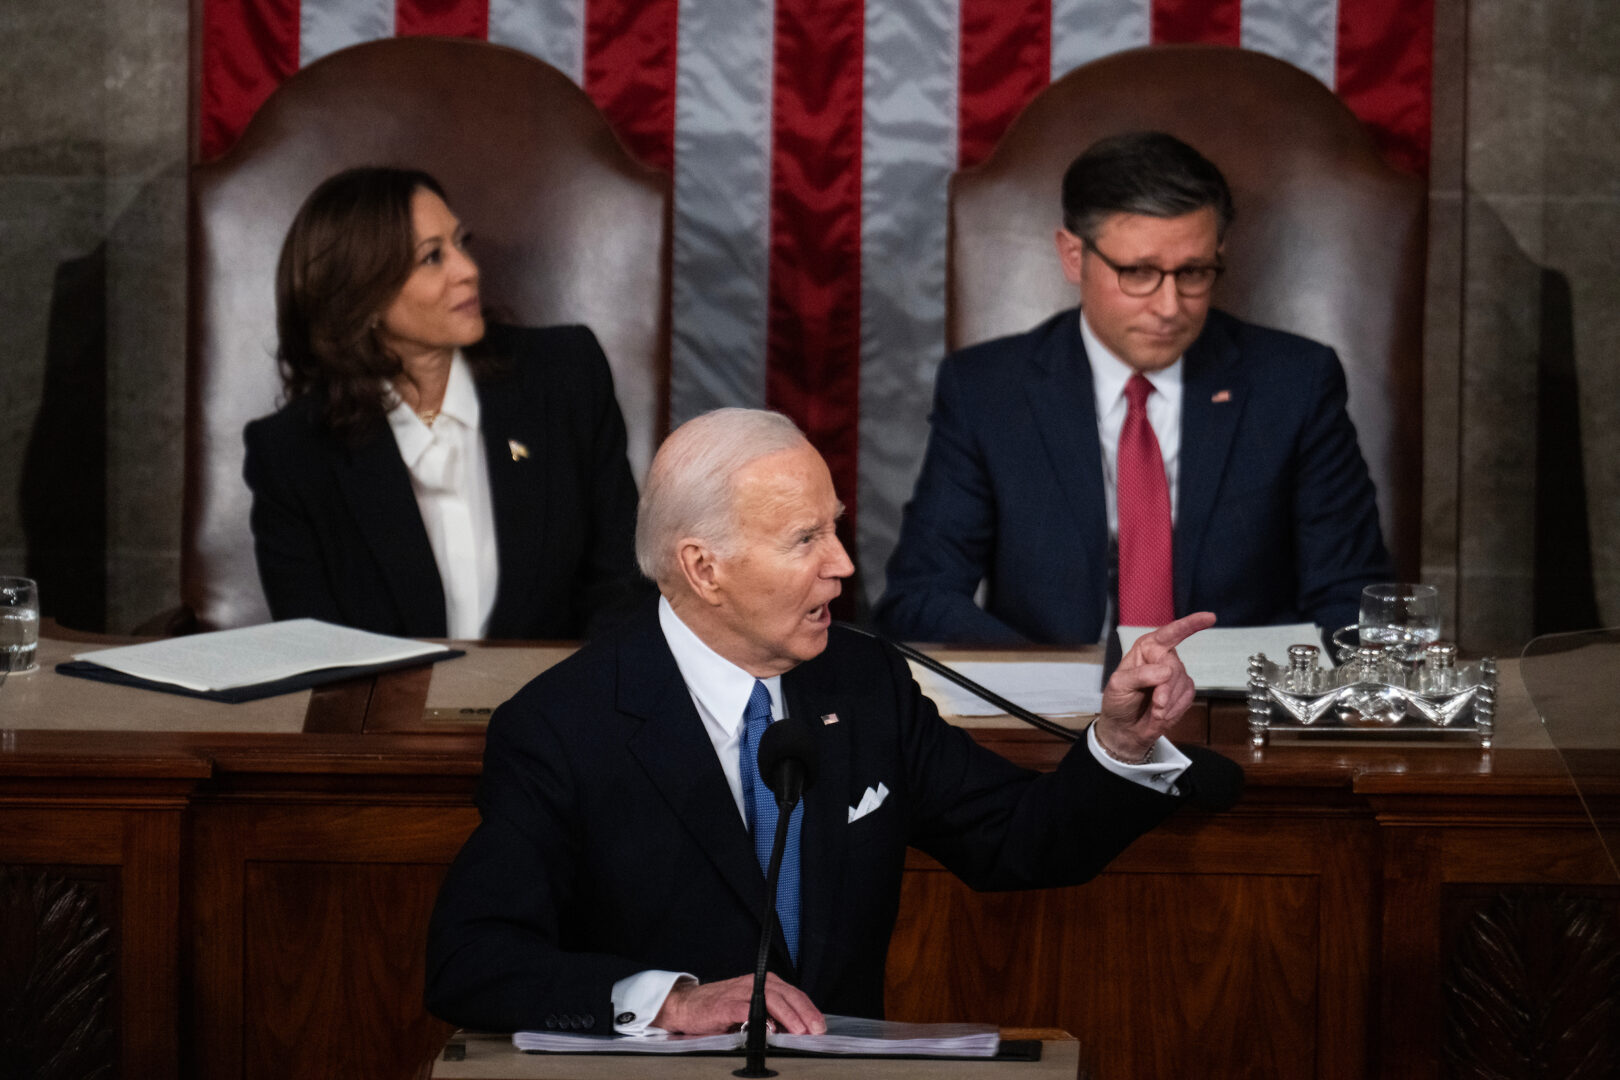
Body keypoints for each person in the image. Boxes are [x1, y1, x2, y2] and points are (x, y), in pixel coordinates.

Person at [425, 407, 1242, 1036]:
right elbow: (471, 961)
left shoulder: (864, 680)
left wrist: (1125, 744)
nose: (844, 564)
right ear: (704, 568)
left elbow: (1021, 840)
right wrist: (667, 1001)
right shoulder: (563, 726)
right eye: (805, 538)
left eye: (837, 527)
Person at [874, 131, 1391, 646]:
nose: (1169, 306)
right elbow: (921, 597)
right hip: (1054, 712)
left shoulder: (1296, 383)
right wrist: (1044, 679)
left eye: (1193, 272)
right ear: (1073, 256)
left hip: (1234, 707)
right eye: (1139, 272)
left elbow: (1352, 599)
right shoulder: (988, 390)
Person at [243, 167, 644, 639]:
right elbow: (313, 646)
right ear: (361, 297)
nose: (468, 270)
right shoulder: (292, 453)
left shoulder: (565, 375)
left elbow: (623, 588)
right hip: (383, 711)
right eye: (433, 257)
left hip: (559, 704)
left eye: (460, 242)